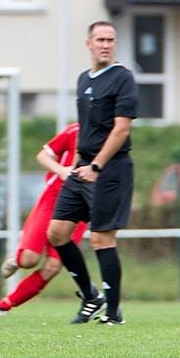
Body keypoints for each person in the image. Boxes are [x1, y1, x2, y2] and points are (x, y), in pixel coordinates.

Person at [46, 20, 138, 326]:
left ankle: (113, 314)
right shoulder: (84, 78)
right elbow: (87, 128)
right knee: (57, 233)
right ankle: (91, 296)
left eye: (111, 39)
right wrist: (80, 163)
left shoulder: (123, 78)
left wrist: (97, 165)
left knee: (101, 238)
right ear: (89, 43)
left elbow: (121, 128)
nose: (106, 44)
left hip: (109, 168)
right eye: (100, 39)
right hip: (83, 166)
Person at [0, 123, 88, 314]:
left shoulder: (114, 137)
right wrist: (62, 170)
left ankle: (4, 306)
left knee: (53, 266)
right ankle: (17, 259)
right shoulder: (75, 130)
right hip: (54, 198)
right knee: (29, 259)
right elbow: (43, 156)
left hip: (81, 206)